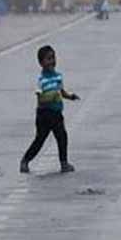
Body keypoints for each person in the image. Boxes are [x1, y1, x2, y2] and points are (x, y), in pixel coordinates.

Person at [20, 45, 80, 173]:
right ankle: (25, 160)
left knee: (62, 137)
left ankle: (64, 163)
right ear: (41, 63)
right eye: (48, 59)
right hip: (44, 115)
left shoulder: (58, 76)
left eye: (53, 58)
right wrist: (49, 96)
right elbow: (40, 97)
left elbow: (61, 92)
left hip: (57, 114)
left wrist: (70, 96)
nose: (52, 61)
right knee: (40, 140)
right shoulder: (41, 79)